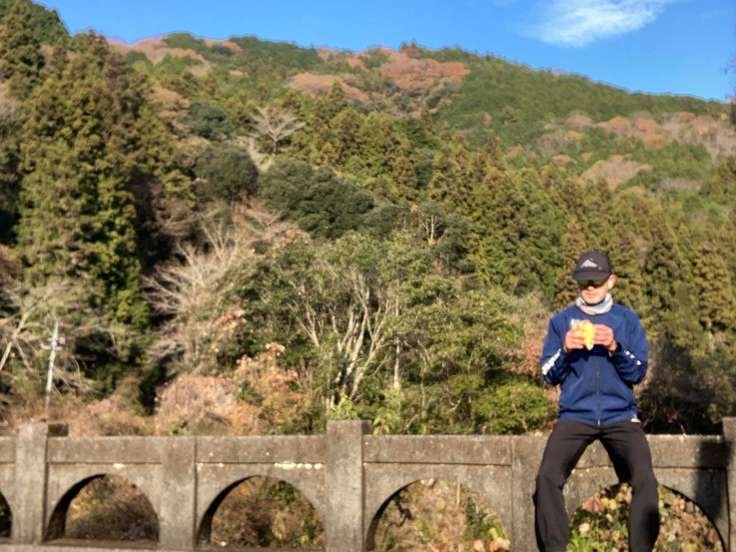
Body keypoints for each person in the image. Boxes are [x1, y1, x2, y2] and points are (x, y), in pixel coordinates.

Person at [534, 250, 660, 551]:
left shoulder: (627, 319)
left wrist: (615, 347)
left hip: (621, 415)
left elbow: (638, 372)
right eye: (584, 282)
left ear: (611, 281)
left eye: (596, 281)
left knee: (645, 480)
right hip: (575, 415)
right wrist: (565, 349)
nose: (590, 287)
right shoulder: (562, 321)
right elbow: (548, 374)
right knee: (547, 478)